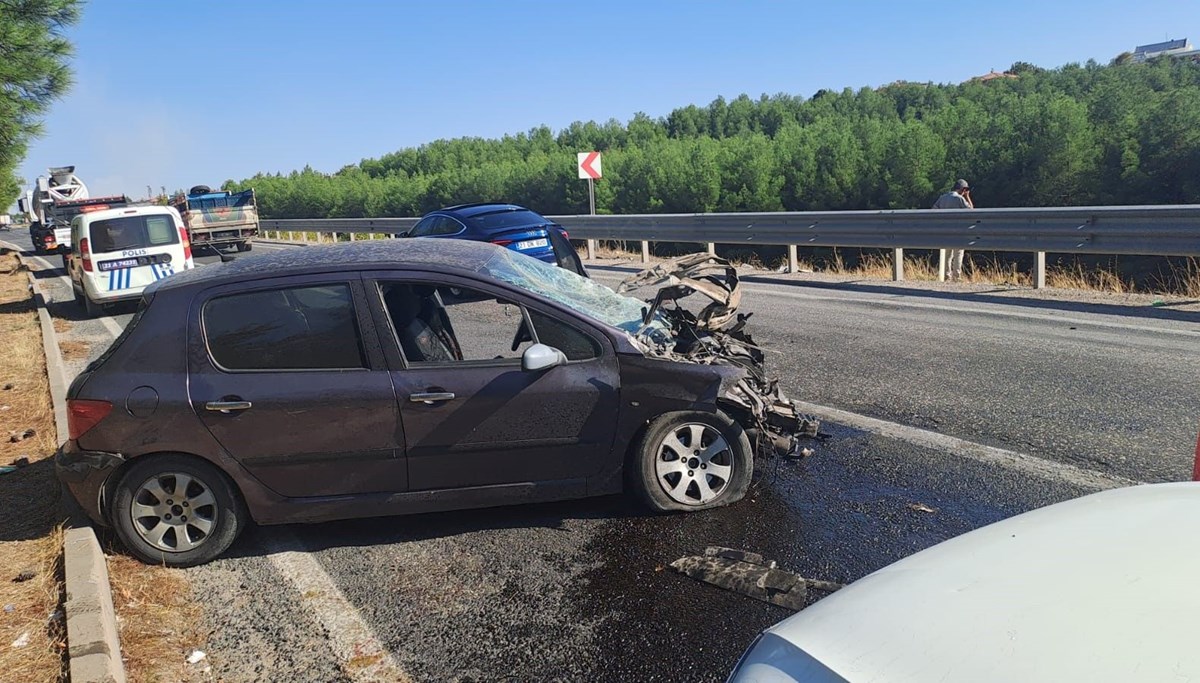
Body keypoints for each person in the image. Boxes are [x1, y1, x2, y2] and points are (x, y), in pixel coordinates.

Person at [932, 179, 973, 281]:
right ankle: (956, 277)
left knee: (947, 255)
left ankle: (947, 276)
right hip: (958, 231)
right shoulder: (959, 199)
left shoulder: (943, 198)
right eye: (966, 189)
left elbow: (933, 210)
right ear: (962, 189)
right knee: (958, 254)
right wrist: (967, 197)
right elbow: (971, 211)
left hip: (945, 231)